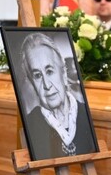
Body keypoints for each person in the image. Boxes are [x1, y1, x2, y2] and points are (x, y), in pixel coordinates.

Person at [20, 32, 96, 160]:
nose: (46, 85)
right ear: (32, 83)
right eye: (37, 75)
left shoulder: (86, 115)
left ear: (64, 73)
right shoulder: (30, 123)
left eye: (50, 71)